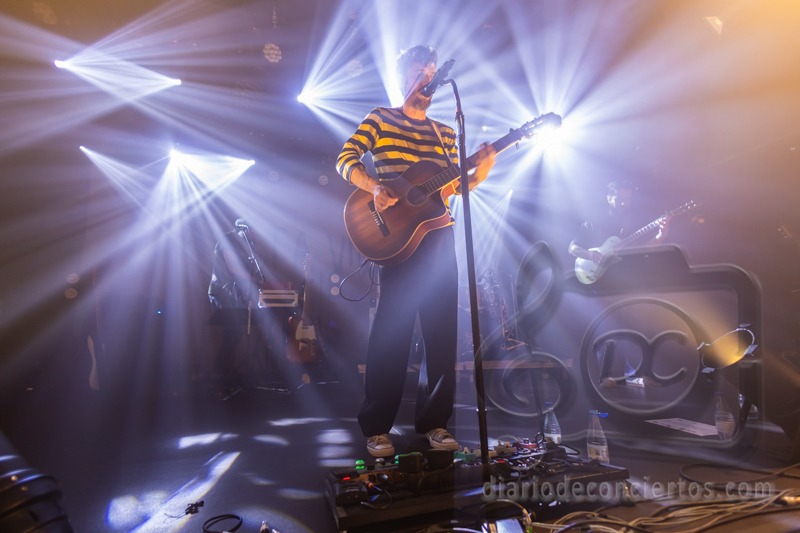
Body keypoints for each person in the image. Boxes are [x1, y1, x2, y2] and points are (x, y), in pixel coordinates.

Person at [336, 44, 496, 457]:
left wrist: (481, 170)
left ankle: (435, 424)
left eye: (430, 72)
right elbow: (345, 158)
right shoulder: (381, 119)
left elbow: (453, 187)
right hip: (397, 240)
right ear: (402, 77)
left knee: (442, 335)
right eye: (418, 72)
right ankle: (377, 427)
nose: (426, 79)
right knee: (392, 334)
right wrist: (375, 187)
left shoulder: (444, 132)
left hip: (440, 238)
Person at [208, 218, 266, 395]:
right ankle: (221, 378)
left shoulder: (247, 244)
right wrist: (253, 281)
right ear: (243, 229)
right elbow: (234, 268)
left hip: (232, 292)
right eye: (250, 231)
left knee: (235, 333)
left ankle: (226, 378)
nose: (252, 235)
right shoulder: (228, 239)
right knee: (232, 332)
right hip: (221, 292)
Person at [568, 179, 670, 281]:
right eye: (619, 199)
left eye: (627, 199)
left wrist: (661, 235)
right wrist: (592, 255)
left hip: (625, 279)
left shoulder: (634, 222)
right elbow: (572, 248)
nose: (623, 203)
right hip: (597, 278)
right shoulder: (595, 221)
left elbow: (646, 249)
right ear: (609, 198)